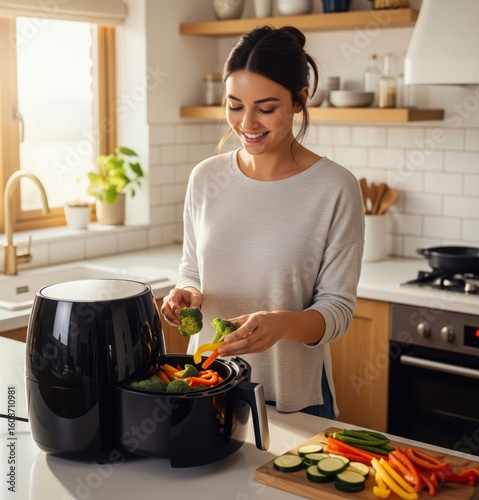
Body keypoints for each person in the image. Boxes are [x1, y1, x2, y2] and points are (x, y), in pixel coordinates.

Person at [161, 25, 364, 419]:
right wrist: (185, 291)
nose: (247, 123)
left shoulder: (335, 188)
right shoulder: (205, 178)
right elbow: (192, 269)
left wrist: (281, 325)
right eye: (235, 105)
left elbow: (337, 310)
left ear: (300, 100)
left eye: (266, 108)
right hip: (206, 384)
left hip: (293, 395)